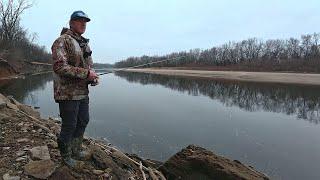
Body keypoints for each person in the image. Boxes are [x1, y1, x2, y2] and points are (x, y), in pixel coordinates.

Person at [51, 10, 98, 168]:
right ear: (71, 23)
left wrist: (92, 78)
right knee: (69, 125)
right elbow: (59, 67)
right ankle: (66, 157)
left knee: (83, 120)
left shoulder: (85, 43)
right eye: (79, 20)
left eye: (85, 21)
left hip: (82, 92)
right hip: (66, 93)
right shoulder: (62, 41)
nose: (83, 24)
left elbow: (88, 67)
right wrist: (86, 74)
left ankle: (76, 149)